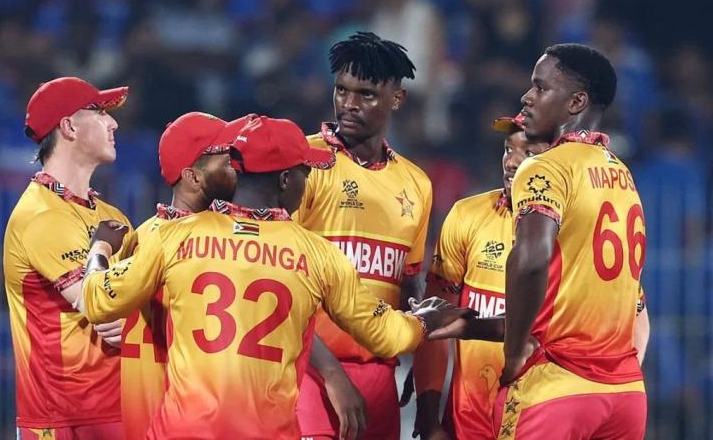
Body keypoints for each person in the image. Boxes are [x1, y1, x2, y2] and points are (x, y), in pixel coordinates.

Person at [77, 116, 470, 440]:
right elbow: (387, 336)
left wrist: (100, 249)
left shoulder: (174, 236)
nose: (308, 181)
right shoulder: (315, 254)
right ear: (285, 181)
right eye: (304, 172)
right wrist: (424, 321)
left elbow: (98, 300)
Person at [495, 44, 646, 439]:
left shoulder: (545, 167)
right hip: (625, 392)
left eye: (541, 87)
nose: (527, 97)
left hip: (558, 382)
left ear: (577, 102)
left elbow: (531, 261)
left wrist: (513, 352)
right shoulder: (622, 173)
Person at [294, 31, 433, 440]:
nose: (349, 104)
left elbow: (409, 284)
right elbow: (283, 282)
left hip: (379, 376)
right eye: (342, 90)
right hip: (309, 370)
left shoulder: (417, 183)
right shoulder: (304, 163)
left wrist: (421, 368)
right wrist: (333, 377)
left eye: (366, 94)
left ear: (397, 99)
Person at [3, 77, 132, 439]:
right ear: (69, 127)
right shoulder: (41, 216)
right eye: (100, 112)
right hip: (61, 421)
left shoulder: (112, 216)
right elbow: (102, 307)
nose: (113, 123)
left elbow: (136, 312)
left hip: (119, 407)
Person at [412, 114, 552, 440]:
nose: (512, 162)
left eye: (529, 153)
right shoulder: (467, 215)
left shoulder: (576, 230)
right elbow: (434, 322)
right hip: (468, 424)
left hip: (542, 421)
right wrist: (429, 415)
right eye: (508, 149)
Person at [118, 112, 248, 440]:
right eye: (227, 160)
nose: (238, 167)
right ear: (193, 177)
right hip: (177, 419)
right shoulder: (208, 243)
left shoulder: (145, 234)